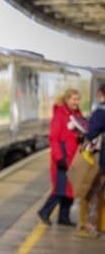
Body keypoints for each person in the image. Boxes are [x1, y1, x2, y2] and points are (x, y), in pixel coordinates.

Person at [36, 88, 85, 226]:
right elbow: (54, 138)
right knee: (60, 188)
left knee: (70, 189)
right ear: (67, 100)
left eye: (78, 99)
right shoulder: (59, 115)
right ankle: (44, 211)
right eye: (74, 99)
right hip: (63, 157)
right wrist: (59, 157)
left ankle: (64, 217)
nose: (76, 102)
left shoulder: (77, 114)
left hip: (74, 156)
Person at [77, 84, 105, 237]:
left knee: (93, 192)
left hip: (101, 160)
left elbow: (91, 131)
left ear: (101, 94)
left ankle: (90, 226)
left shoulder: (101, 112)